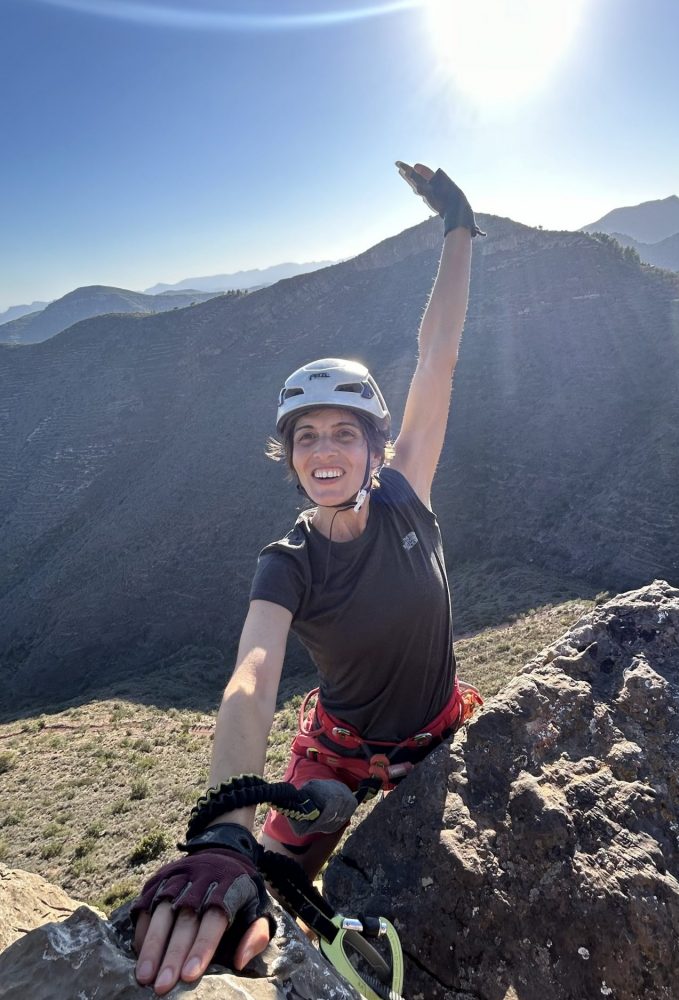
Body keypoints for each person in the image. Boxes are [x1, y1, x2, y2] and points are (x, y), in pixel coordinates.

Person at [131, 161, 484, 996]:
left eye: (343, 434)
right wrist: (224, 834)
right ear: (289, 457)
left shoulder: (406, 494)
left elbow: (438, 356)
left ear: (374, 446)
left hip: (436, 731)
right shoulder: (287, 562)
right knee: (277, 876)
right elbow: (251, 682)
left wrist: (460, 228)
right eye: (306, 438)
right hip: (337, 750)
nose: (324, 453)